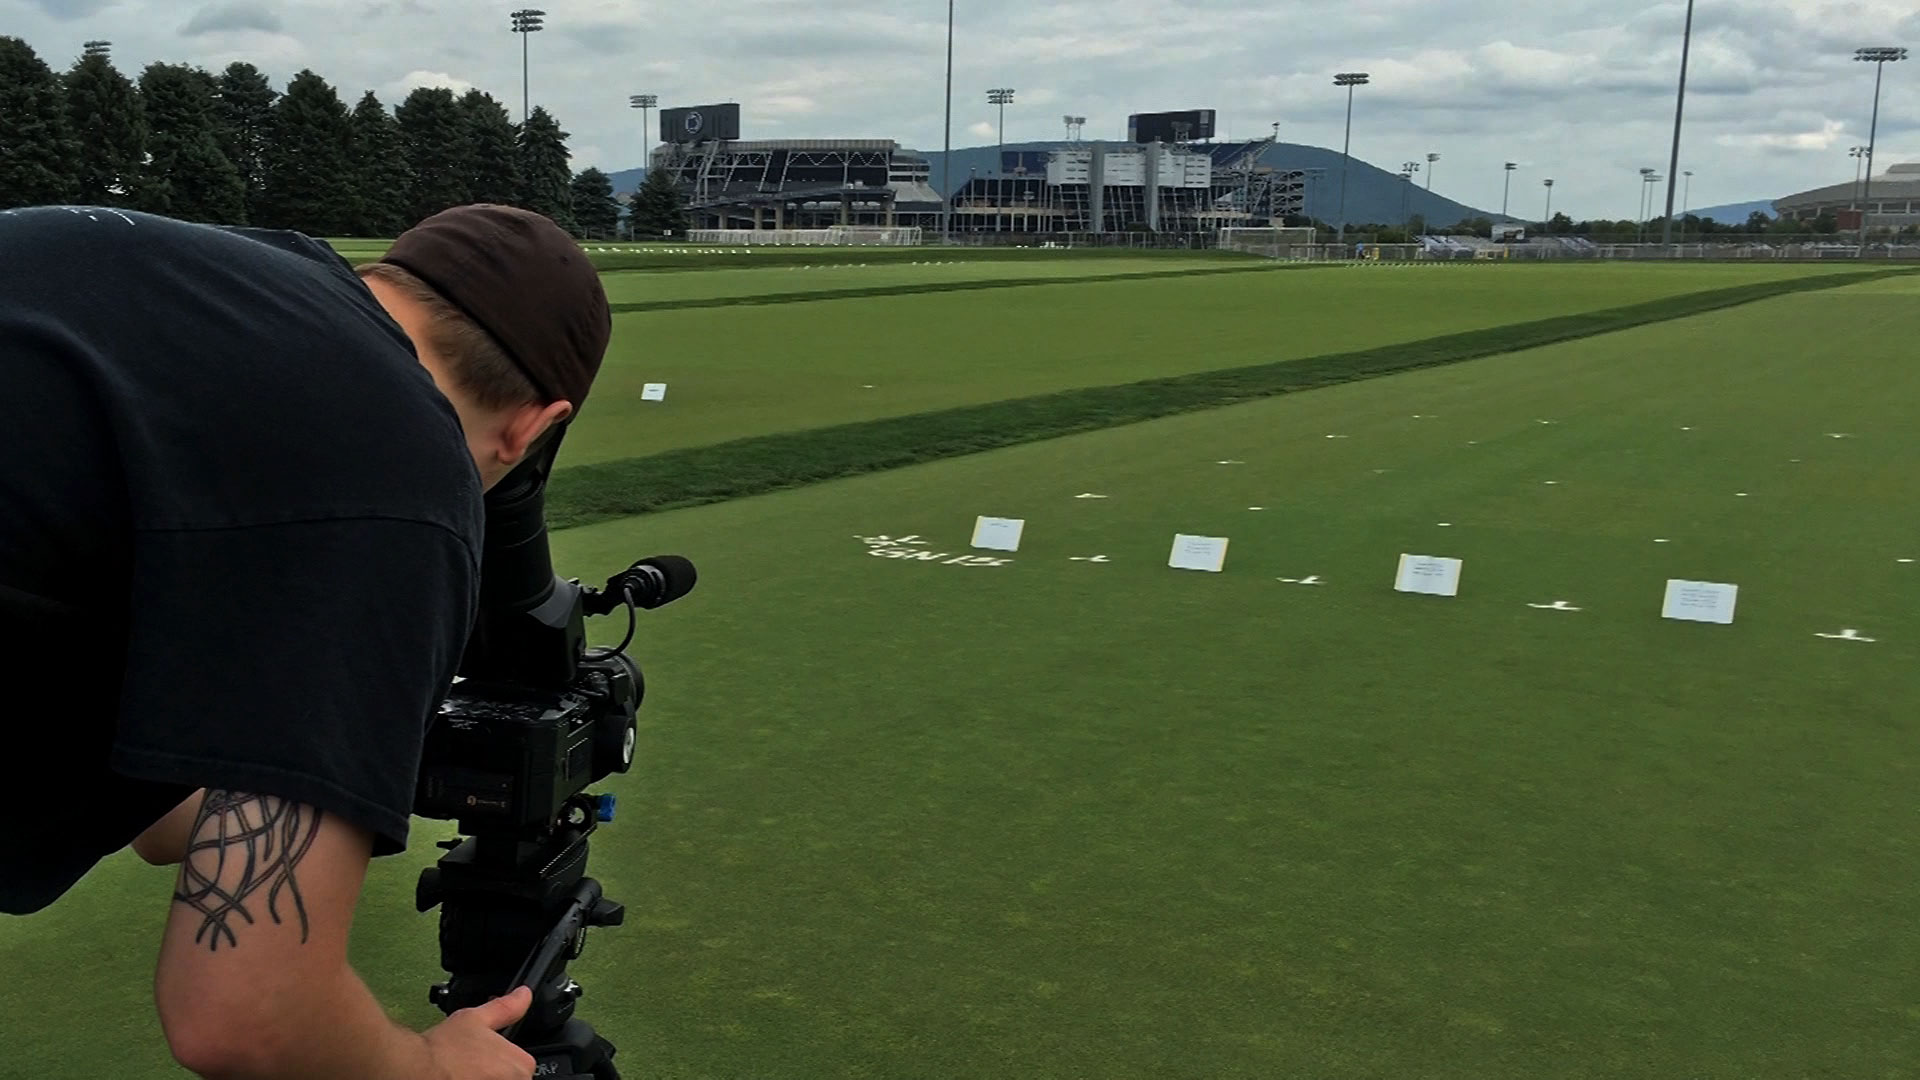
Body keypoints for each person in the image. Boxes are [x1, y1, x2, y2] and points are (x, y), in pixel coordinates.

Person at [0, 203, 611, 1079]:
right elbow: (245, 1016)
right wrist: (429, 1068)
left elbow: (159, 820)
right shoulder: (398, 460)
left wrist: (299, 739)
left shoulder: (230, 295)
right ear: (533, 427)